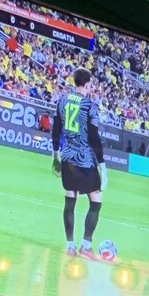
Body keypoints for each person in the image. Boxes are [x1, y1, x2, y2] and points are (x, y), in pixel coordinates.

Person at [52, 68, 107, 259]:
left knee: (70, 200)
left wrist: (55, 155)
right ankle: (85, 245)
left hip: (67, 157)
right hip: (84, 160)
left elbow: (56, 129)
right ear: (88, 83)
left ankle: (70, 246)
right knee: (96, 201)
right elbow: (94, 137)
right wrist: (103, 166)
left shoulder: (62, 100)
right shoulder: (90, 106)